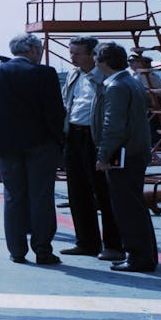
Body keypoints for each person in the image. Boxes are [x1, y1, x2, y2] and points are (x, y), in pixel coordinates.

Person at [0, 34, 67, 265]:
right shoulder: (45, 73)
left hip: (6, 147)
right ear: (34, 50)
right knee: (41, 197)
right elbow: (55, 113)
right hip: (41, 145)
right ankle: (43, 250)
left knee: (13, 197)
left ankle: (17, 251)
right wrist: (61, 143)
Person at [94, 42, 158, 273]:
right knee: (136, 206)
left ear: (102, 62)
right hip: (135, 153)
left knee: (127, 209)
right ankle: (146, 254)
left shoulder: (115, 86)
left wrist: (103, 155)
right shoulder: (131, 81)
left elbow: (113, 126)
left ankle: (138, 257)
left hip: (123, 155)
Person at [59, 36, 121, 261]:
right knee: (78, 192)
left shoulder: (104, 76)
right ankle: (86, 242)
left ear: (92, 55)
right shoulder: (74, 74)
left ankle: (114, 245)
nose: (72, 57)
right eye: (71, 52)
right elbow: (69, 102)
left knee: (104, 193)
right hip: (74, 135)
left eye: (77, 53)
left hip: (96, 137)